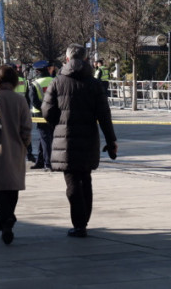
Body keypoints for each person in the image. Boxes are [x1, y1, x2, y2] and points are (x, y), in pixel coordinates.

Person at [42, 44, 117, 238]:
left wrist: (58, 124)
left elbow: (47, 111)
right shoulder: (94, 84)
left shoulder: (57, 82)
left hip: (64, 140)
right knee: (86, 178)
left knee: (72, 181)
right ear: (85, 60)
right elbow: (104, 115)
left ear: (66, 60)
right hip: (88, 139)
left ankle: (79, 223)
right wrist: (111, 140)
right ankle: (83, 220)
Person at [0, 65, 33, 245]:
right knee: (12, 187)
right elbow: (27, 126)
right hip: (16, 148)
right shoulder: (20, 100)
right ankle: (8, 217)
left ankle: (4, 218)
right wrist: (24, 144)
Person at [29, 60, 55, 171]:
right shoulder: (54, 81)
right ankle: (40, 161)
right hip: (53, 113)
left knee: (45, 138)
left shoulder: (35, 84)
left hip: (39, 114)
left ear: (38, 71)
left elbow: (34, 101)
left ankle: (48, 163)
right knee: (44, 138)